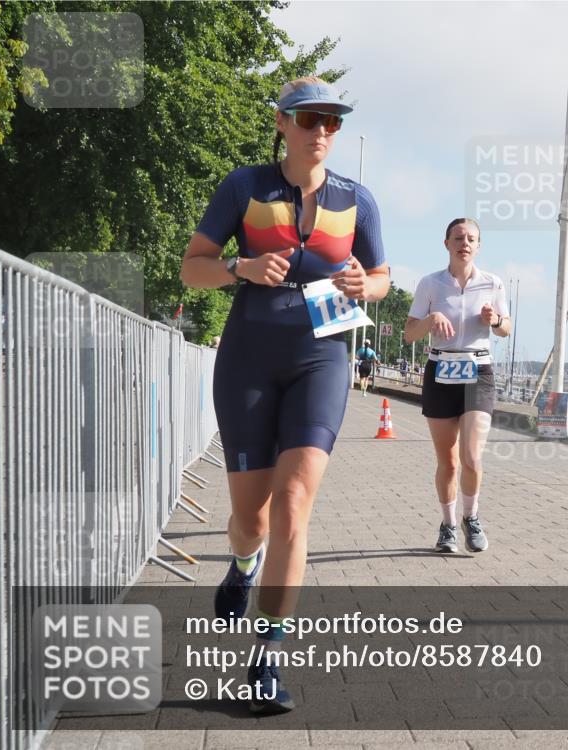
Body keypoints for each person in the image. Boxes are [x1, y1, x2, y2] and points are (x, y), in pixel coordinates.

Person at [179, 76, 389, 714]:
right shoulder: (243, 186)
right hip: (247, 358)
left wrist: (364, 283)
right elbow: (192, 266)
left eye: (331, 121)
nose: (320, 131)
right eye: (308, 119)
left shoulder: (358, 200)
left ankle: (267, 657)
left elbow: (381, 277)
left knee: (295, 503)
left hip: (322, 358)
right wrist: (239, 268)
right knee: (252, 518)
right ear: (282, 123)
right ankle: (242, 566)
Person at [404, 218, 510, 554]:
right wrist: (430, 320)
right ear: (446, 243)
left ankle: (471, 518)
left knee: (471, 458)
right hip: (440, 369)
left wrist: (494, 321)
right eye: (458, 237)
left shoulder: (492, 283)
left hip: (477, 369)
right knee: (448, 461)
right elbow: (409, 333)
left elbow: (505, 327)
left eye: (471, 239)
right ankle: (448, 525)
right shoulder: (430, 284)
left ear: (479, 245)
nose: (465, 243)